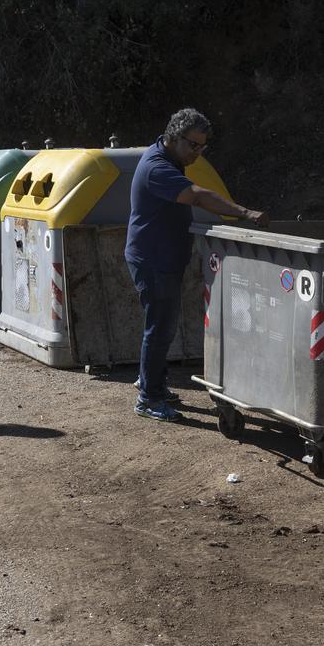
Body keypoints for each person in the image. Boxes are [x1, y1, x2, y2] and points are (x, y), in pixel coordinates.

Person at [125, 108, 268, 422]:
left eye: (203, 147)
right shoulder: (157, 167)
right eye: (193, 145)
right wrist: (243, 212)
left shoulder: (169, 158)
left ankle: (154, 385)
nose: (198, 153)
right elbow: (198, 196)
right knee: (159, 329)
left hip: (161, 257)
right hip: (153, 259)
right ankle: (148, 397)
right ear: (173, 137)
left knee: (162, 326)